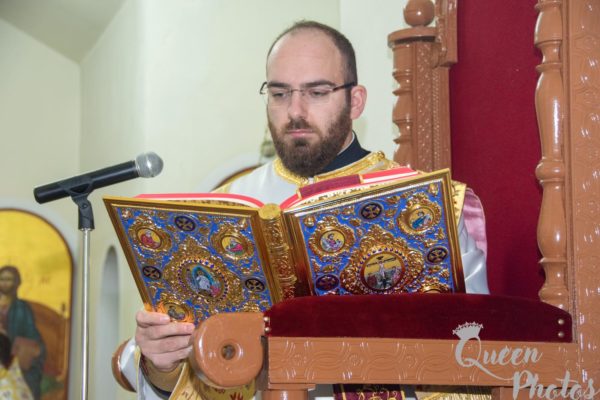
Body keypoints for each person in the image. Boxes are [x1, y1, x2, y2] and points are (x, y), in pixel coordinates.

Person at [113, 20, 489, 399]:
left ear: (356, 100)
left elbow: (475, 346)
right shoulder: (224, 206)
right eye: (279, 93)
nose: (295, 110)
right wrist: (160, 362)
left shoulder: (423, 206)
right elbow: (179, 355)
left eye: (317, 92)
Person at [0, 266, 46, 400]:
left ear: (17, 282)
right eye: (2, 279)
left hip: (12, 359)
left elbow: (33, 338)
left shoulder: (22, 308)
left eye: (9, 279)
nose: (4, 283)